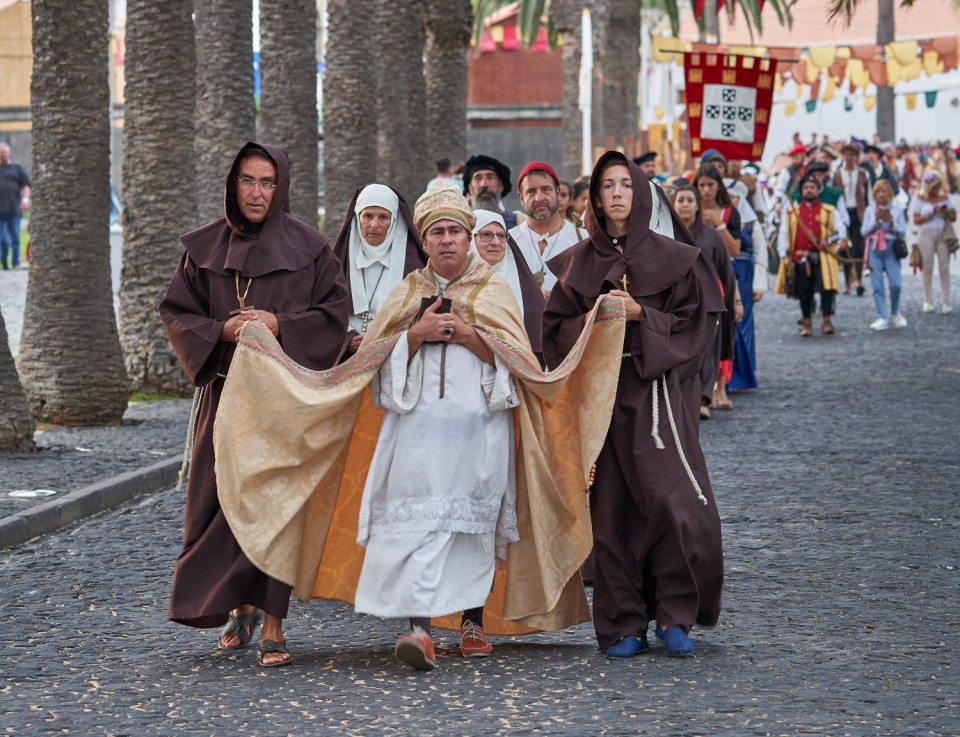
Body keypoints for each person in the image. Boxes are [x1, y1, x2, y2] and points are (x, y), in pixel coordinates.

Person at [211, 184, 626, 672]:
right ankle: (419, 630)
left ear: (468, 238)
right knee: (418, 528)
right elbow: (373, 363)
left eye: (454, 231)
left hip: (479, 431)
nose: (446, 240)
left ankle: (473, 621)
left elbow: (521, 366)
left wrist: (473, 338)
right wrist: (414, 335)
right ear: (424, 243)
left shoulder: (493, 290)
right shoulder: (407, 291)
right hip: (414, 431)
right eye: (437, 234)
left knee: (471, 528)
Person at [158, 142, 350, 667]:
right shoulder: (203, 250)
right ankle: (238, 606)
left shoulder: (311, 249)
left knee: (276, 508)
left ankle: (273, 623)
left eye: (267, 182)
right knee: (218, 505)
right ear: (232, 184)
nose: (257, 192)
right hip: (222, 399)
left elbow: (335, 313)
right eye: (248, 180)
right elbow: (177, 312)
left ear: (281, 186)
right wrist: (223, 327)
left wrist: (279, 324)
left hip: (283, 402)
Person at [543, 151, 726, 658]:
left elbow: (697, 323)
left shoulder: (674, 256)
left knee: (671, 503)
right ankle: (623, 622)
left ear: (640, 193)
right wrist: (597, 320)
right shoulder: (578, 263)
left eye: (626, 184)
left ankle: (674, 613)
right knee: (613, 512)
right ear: (595, 199)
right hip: (602, 401)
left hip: (658, 397)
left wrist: (643, 313)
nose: (618, 192)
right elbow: (554, 331)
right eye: (608, 185)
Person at [331, 183, 427, 357]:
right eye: (367, 216)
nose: (374, 224)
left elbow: (424, 321)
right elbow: (323, 316)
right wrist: (347, 340)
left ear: (394, 221)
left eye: (383, 217)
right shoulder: (335, 266)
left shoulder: (416, 270)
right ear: (357, 218)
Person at [671, 185, 739, 420]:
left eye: (690, 200)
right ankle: (680, 398)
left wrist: (732, 303)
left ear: (698, 206)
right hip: (677, 303)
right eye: (681, 200)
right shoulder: (665, 233)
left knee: (707, 351)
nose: (686, 204)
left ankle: (702, 399)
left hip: (709, 303)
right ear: (673, 204)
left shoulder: (711, 234)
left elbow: (726, 272)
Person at [470, 209, 546, 360]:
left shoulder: (520, 285)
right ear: (470, 239)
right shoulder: (456, 282)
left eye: (501, 235)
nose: (496, 242)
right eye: (486, 235)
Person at [775, 173, 845, 337]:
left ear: (818, 190)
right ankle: (807, 323)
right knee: (804, 292)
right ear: (801, 191)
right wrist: (783, 255)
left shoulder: (829, 211)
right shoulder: (792, 212)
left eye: (812, 187)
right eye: (806, 187)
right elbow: (784, 233)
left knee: (826, 290)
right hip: (800, 257)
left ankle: (826, 321)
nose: (809, 190)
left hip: (824, 257)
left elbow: (841, 230)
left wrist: (828, 240)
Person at [694, 164, 741, 408]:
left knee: (724, 336)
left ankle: (721, 389)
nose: (706, 190)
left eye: (710, 185)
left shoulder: (729, 212)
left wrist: (718, 226)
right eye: (701, 185)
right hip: (698, 280)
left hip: (727, 276)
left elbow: (735, 250)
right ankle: (704, 391)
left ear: (718, 186)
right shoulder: (691, 209)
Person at [509, 161, 583, 297]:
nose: (539, 198)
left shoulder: (583, 239)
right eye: (531, 191)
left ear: (557, 192)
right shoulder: (509, 241)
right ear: (521, 198)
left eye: (546, 189)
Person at [860, 179, 908, 330]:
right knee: (877, 285)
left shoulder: (897, 211)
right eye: (878, 191)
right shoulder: (869, 210)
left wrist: (892, 223)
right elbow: (864, 231)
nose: (881, 194)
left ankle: (895, 312)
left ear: (889, 193)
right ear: (875, 194)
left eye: (884, 191)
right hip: (875, 248)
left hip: (891, 247)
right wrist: (876, 220)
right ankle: (882, 316)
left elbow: (903, 232)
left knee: (896, 284)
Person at [911, 170, 957, 314]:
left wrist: (946, 212)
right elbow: (916, 219)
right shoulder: (920, 198)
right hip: (926, 233)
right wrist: (930, 214)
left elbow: (953, 218)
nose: (935, 189)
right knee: (928, 268)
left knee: (944, 268)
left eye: (937, 186)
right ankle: (928, 300)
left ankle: (946, 301)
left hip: (942, 233)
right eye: (933, 186)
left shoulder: (944, 198)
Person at [834, 143, 870, 296]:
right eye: (847, 155)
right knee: (844, 247)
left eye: (852, 155)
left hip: (858, 213)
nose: (849, 158)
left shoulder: (862, 173)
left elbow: (868, 195)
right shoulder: (837, 174)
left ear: (856, 157)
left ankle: (859, 280)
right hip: (843, 213)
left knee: (858, 248)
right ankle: (847, 282)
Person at [463, 154, 518, 228]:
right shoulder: (462, 223)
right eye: (478, 178)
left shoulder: (518, 223)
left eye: (490, 177)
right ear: (470, 188)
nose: (484, 184)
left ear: (501, 186)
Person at [0, 143, 30, 270]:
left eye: (5, 152)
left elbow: (26, 185)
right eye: (1, 152)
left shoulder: (17, 168)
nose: (3, 154)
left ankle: (16, 263)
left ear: (9, 153)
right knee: (3, 239)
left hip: (14, 209)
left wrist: (25, 199)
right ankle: (4, 263)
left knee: (15, 238)